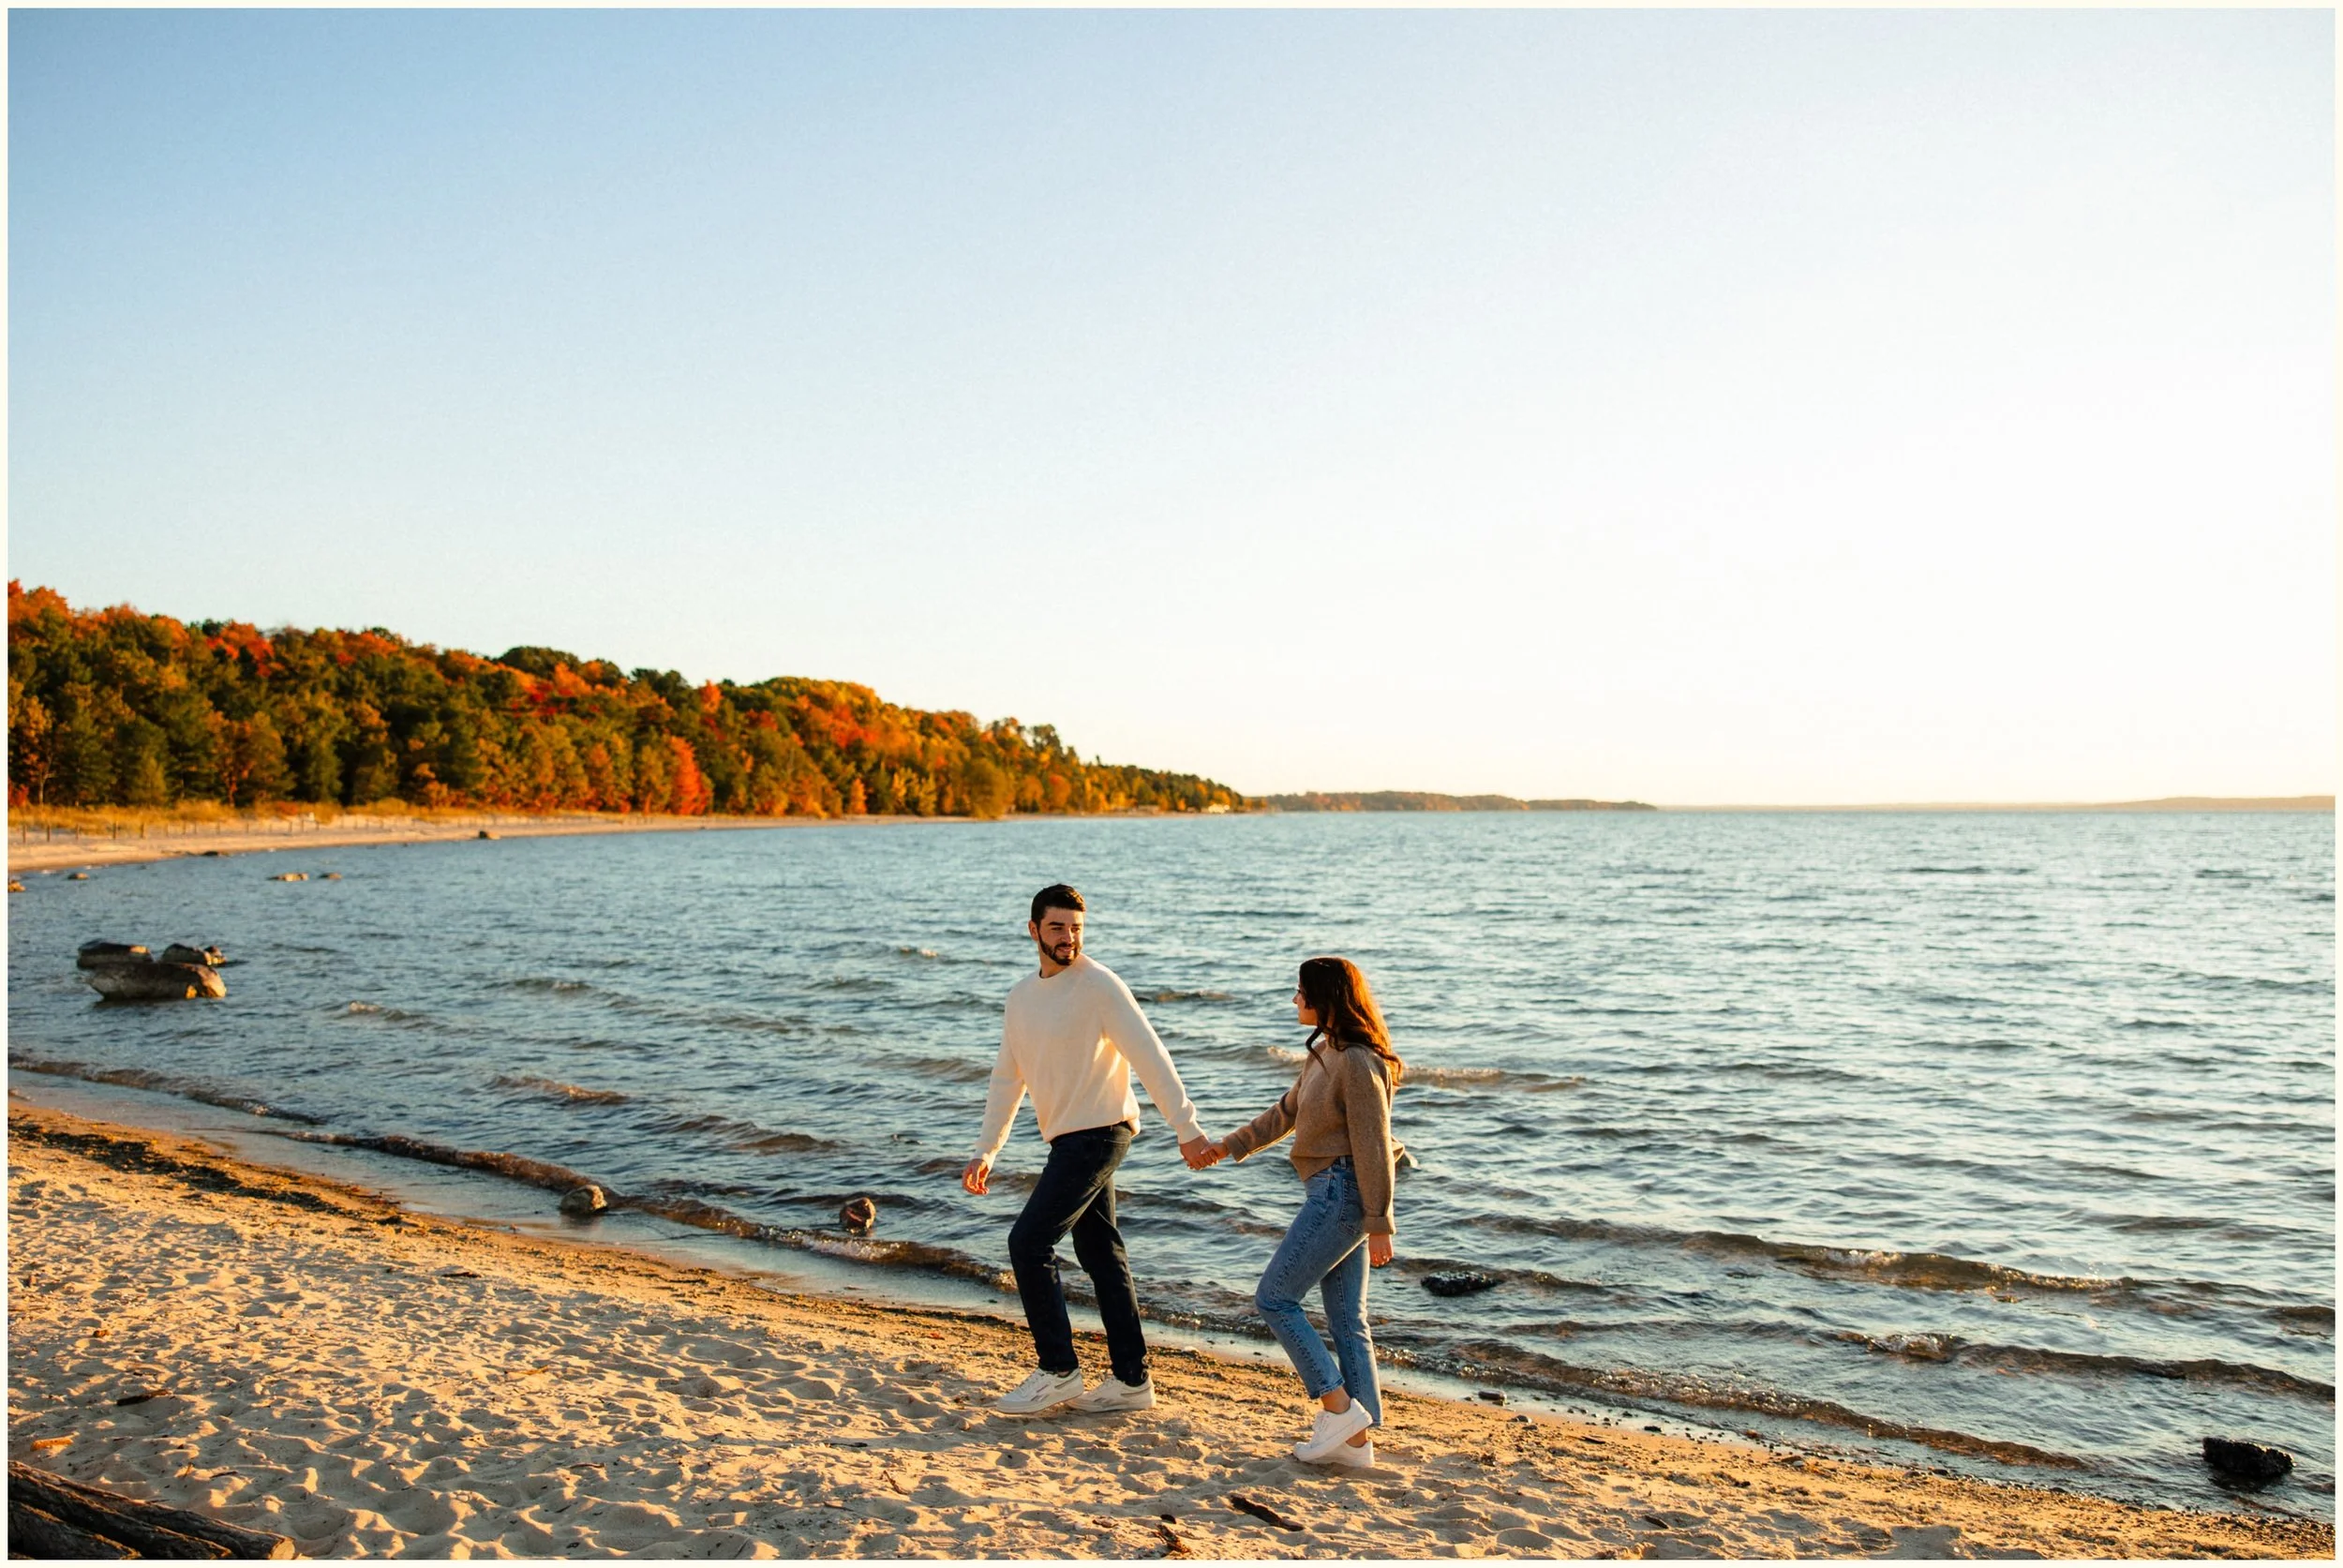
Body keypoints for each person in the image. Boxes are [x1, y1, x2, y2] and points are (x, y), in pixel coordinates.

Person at [962, 884, 1217, 1415]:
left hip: (1102, 1132)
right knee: (1100, 1254)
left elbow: (1150, 1054)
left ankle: (1058, 1370)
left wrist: (1185, 1126)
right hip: (1068, 1139)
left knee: (1028, 1244)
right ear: (1033, 930)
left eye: (1077, 928)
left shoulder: (1101, 986)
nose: (1069, 938)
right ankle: (1131, 1381)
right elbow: (1008, 1079)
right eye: (1057, 927)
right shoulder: (1020, 998)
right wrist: (988, 1149)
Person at [1205, 956, 1402, 1468]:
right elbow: (1286, 1113)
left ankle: (1338, 1410)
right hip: (1333, 1191)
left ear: (1325, 997)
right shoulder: (1325, 1054)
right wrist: (1226, 1147)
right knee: (1345, 1318)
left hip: (1342, 1193)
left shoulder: (1358, 1061)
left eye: (1301, 992)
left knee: (1274, 1298)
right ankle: (1358, 1441)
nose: (1295, 1000)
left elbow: (1374, 1144)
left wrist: (1380, 1222)